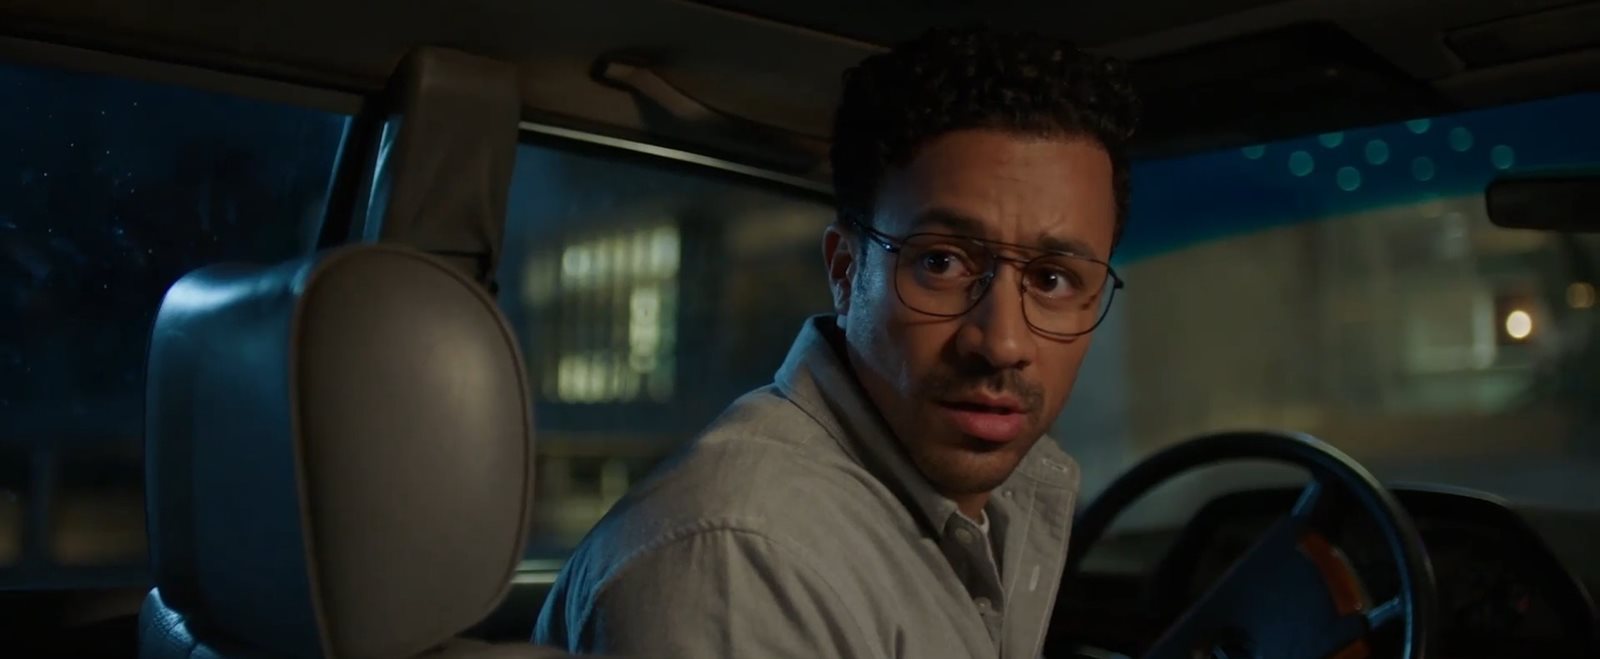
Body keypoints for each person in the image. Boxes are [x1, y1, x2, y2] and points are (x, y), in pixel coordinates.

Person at [534, 26, 1139, 659]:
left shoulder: (984, 508)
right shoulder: (743, 561)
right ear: (846, 272)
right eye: (941, 263)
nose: (1003, 342)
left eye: (1052, 279)